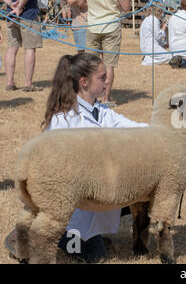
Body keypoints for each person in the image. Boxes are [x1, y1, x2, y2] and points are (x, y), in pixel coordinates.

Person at [42, 53, 148, 263]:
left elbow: (138, 129)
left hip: (100, 195)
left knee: (146, 182)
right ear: (84, 82)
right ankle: (62, 236)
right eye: (101, 77)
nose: (107, 80)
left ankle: (127, 236)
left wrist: (173, 132)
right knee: (96, 256)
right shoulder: (63, 121)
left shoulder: (103, 112)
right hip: (73, 207)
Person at [79, 0, 130, 107]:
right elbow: (126, 8)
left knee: (90, 65)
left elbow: (80, 1)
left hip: (93, 25)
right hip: (111, 27)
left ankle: (89, 97)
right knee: (109, 65)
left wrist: (95, 6)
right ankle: (106, 99)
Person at [0, 0, 43, 92]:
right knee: (29, 48)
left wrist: (10, 5)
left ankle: (9, 82)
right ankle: (28, 84)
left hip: (11, 13)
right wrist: (18, 7)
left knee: (12, 48)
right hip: (28, 13)